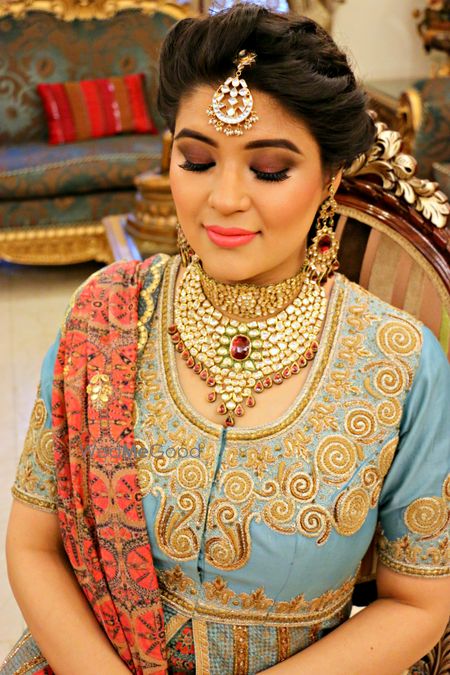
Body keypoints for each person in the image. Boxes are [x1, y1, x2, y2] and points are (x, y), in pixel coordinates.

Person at [3, 4, 450, 674]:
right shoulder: (105, 313)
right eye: (197, 160)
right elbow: (33, 545)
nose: (224, 199)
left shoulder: (398, 361)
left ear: (329, 179)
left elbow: (419, 602)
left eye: (269, 169)